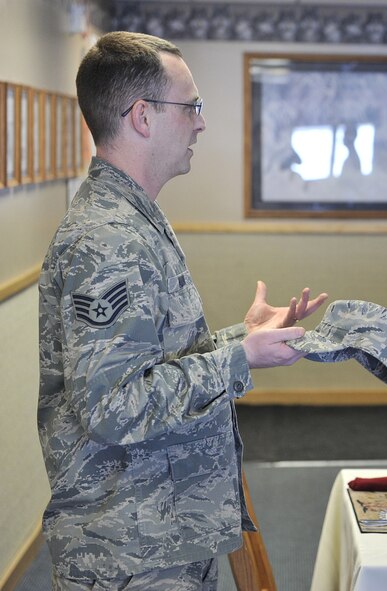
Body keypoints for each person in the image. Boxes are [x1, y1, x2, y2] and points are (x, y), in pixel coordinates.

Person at [37, 31, 327, 590]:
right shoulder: (107, 238)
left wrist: (241, 338)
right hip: (127, 550)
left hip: (160, 531)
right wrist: (240, 358)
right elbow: (112, 407)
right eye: (191, 106)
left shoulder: (135, 217)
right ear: (143, 116)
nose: (200, 122)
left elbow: (154, 359)